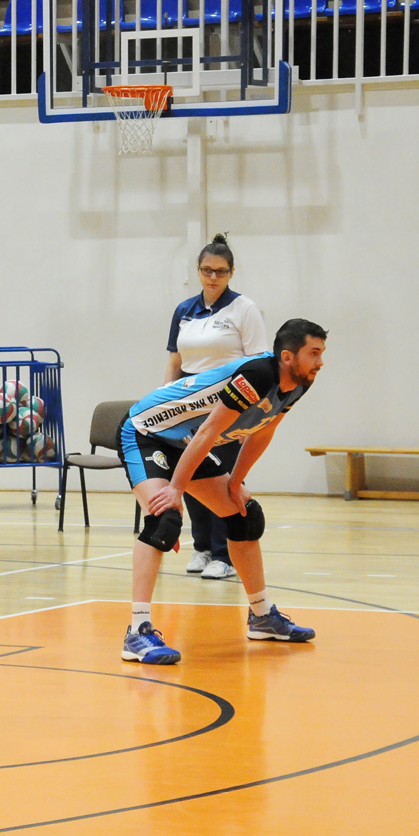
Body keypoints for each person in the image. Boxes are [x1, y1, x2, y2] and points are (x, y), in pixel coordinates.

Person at [119, 319, 327, 664]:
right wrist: (175, 489)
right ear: (288, 357)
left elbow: (262, 431)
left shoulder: (298, 383)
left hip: (185, 440)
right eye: (314, 353)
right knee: (163, 519)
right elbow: (209, 432)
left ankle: (262, 616)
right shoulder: (257, 376)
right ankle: (137, 632)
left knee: (244, 515)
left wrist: (235, 483)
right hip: (146, 433)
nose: (320, 362)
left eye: (321, 353)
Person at [165, 233, 269, 580]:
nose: (213, 277)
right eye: (207, 270)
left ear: (231, 273)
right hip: (188, 404)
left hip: (229, 403)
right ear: (197, 270)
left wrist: (252, 413)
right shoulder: (183, 311)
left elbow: (259, 363)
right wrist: (167, 402)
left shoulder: (244, 309)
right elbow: (175, 361)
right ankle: (202, 547)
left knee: (222, 477)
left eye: (221, 271)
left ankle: (225, 554)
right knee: (191, 472)